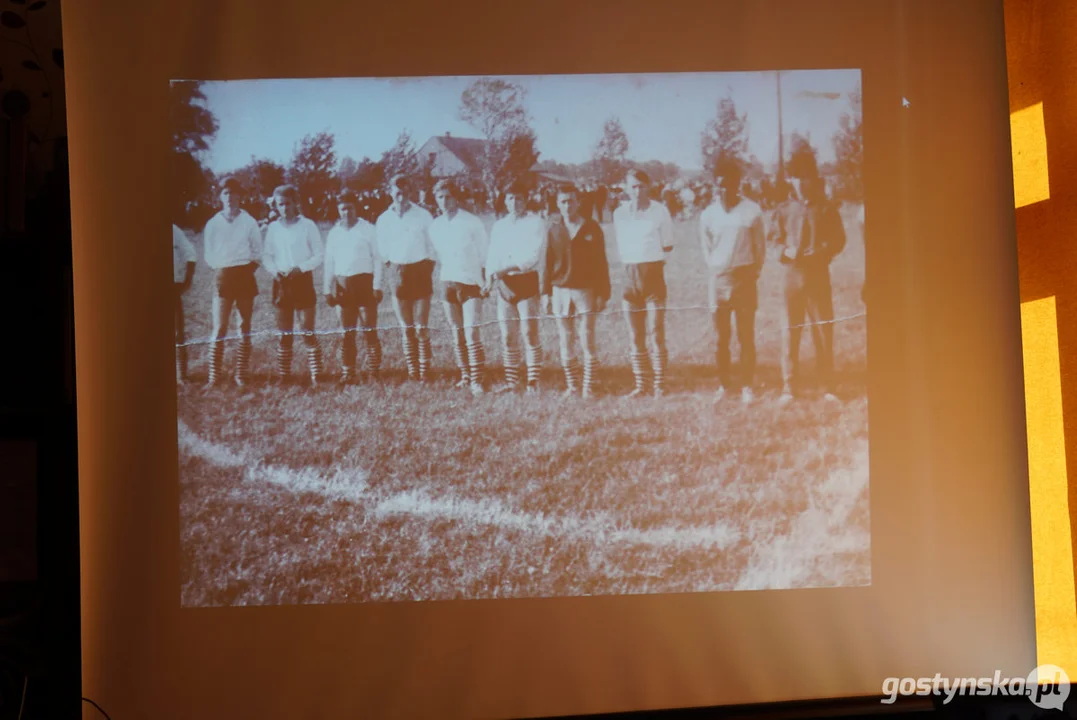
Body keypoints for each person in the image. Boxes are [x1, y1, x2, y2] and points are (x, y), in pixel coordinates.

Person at [770, 151, 846, 403]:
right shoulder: (783, 208)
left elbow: (839, 239)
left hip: (818, 278)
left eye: (805, 177)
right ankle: (789, 386)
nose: (801, 183)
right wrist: (784, 250)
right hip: (791, 279)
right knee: (789, 332)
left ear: (813, 179)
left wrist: (822, 251)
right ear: (790, 180)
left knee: (823, 332)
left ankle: (827, 386)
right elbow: (774, 239)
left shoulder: (825, 207)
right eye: (795, 177)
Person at [699, 160, 766, 403]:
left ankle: (747, 385)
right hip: (718, 280)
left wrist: (751, 272)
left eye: (729, 186)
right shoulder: (708, 214)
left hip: (744, 277)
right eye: (720, 187)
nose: (724, 191)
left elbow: (760, 248)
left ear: (738, 185)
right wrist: (717, 271)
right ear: (715, 187)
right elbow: (707, 249)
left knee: (745, 335)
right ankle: (724, 385)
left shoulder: (752, 211)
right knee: (721, 337)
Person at [542, 184, 610, 398]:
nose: (567, 205)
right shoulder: (554, 229)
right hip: (560, 290)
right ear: (557, 204)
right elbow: (546, 262)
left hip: (585, 290)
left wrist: (602, 293)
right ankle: (572, 385)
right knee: (565, 337)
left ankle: (588, 387)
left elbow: (601, 263)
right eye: (563, 201)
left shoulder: (591, 228)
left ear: (578, 202)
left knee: (586, 337)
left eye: (571, 201)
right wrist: (545, 293)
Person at [612, 169, 673, 398]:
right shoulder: (619, 214)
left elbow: (667, 245)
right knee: (635, 335)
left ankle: (660, 384)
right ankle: (641, 384)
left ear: (649, 187)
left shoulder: (660, 211)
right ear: (626, 188)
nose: (638, 191)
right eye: (633, 187)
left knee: (656, 332)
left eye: (641, 186)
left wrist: (652, 267)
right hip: (630, 277)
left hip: (653, 276)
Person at [429, 179, 490, 395]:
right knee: (457, 333)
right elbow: (438, 254)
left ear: (455, 198)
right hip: (448, 282)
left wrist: (484, 281)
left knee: (471, 332)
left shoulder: (471, 222)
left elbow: (485, 255)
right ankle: (465, 375)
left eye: (448, 196)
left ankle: (477, 379)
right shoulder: (435, 225)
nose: (444, 201)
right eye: (440, 197)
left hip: (471, 282)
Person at [486, 181, 547, 393]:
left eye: (519, 198)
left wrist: (508, 268)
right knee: (507, 335)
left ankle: (533, 381)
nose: (515, 203)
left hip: (526, 280)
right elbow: (493, 254)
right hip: (504, 284)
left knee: (529, 332)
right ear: (505, 201)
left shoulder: (536, 222)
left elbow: (533, 255)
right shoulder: (499, 225)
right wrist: (489, 279)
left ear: (526, 199)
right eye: (510, 198)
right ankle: (512, 381)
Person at [202, 176, 262, 388]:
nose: (230, 197)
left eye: (233, 193)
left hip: (244, 275)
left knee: (244, 325)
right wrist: (222, 268)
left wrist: (246, 270)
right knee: (219, 327)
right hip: (223, 275)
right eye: (225, 193)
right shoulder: (213, 223)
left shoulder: (249, 221)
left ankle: (241, 374)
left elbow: (257, 251)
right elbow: (208, 255)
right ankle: (213, 377)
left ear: (240, 197)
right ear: (220, 196)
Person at [375, 175, 437, 382]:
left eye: (405, 192)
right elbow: (381, 248)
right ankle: (412, 371)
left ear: (411, 192)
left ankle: (425, 370)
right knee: (406, 327)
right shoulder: (384, 219)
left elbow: (433, 244)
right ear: (390, 192)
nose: (401, 197)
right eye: (397, 192)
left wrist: (428, 264)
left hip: (420, 270)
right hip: (397, 272)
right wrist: (390, 265)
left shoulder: (423, 215)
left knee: (421, 325)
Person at [263, 184, 325, 387]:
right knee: (285, 333)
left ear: (295, 203)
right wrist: (274, 271)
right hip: (281, 283)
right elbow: (267, 256)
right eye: (280, 204)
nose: (285, 208)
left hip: (302, 281)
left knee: (307, 328)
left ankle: (317, 375)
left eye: (288, 203)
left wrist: (302, 267)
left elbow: (319, 254)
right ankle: (285, 375)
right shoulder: (273, 228)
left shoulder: (307, 225)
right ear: (276, 206)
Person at [324, 190, 383, 384]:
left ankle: (373, 371)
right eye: (342, 209)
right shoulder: (334, 233)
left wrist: (377, 286)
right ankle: (348, 372)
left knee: (369, 329)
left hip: (364, 283)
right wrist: (327, 289)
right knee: (346, 332)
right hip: (343, 285)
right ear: (338, 210)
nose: (346, 212)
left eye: (350, 208)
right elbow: (329, 262)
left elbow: (377, 259)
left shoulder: (368, 229)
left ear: (356, 208)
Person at [172, 223, 197, 383]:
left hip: (170, 286)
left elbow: (191, 254)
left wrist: (187, 280)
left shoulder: (173, 229)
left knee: (176, 331)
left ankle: (181, 373)